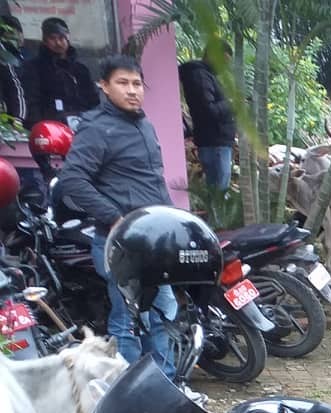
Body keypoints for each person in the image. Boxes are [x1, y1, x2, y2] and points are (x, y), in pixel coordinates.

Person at [56, 55, 177, 373]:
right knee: (128, 322)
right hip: (120, 244)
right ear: (104, 86)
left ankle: (166, 385)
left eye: (137, 83)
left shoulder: (145, 125)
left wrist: (172, 223)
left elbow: (153, 182)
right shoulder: (97, 129)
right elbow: (72, 180)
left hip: (152, 242)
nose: (132, 90)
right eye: (122, 83)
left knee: (162, 316)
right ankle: (130, 393)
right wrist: (114, 217)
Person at [178, 46, 236, 192]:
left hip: (216, 141)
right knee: (219, 195)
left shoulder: (205, 75)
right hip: (214, 142)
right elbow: (208, 111)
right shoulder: (199, 76)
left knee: (218, 191)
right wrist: (231, 103)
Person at [21, 17, 96, 129]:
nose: (58, 43)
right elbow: (32, 102)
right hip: (50, 128)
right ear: (45, 40)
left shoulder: (80, 69)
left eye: (62, 37)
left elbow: (93, 101)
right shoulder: (33, 68)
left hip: (83, 126)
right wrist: (38, 127)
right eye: (53, 38)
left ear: (68, 37)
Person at [0, 17, 26, 126]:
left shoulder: (25, 60)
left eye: (17, 33)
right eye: (8, 34)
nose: (16, 38)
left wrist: (18, 118)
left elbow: (15, 89)